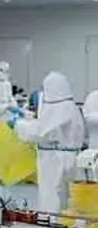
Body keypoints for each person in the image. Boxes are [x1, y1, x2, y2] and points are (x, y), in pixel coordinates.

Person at [9, 72, 86, 219]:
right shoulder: (70, 107)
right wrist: (26, 116)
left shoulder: (58, 109)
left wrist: (18, 125)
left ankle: (51, 223)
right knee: (66, 197)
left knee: (51, 196)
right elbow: (47, 124)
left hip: (54, 160)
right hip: (69, 158)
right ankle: (65, 222)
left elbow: (40, 132)